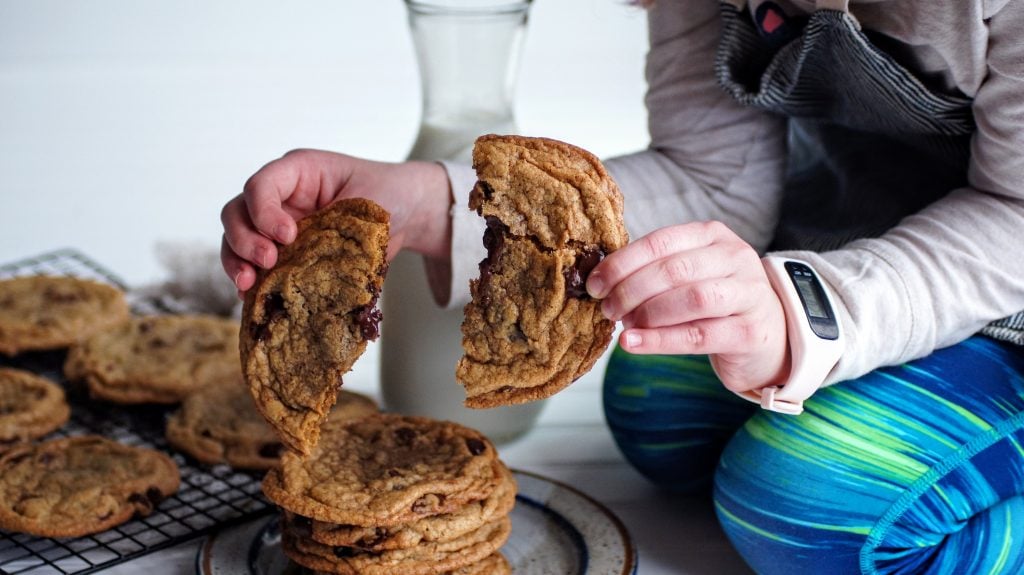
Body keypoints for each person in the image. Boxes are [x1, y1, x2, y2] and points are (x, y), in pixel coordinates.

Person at [221, 0, 1024, 572]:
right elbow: (714, 179)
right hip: (859, 253)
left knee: (798, 503)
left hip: (1005, 292)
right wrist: (428, 202)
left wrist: (807, 314)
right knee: (653, 404)